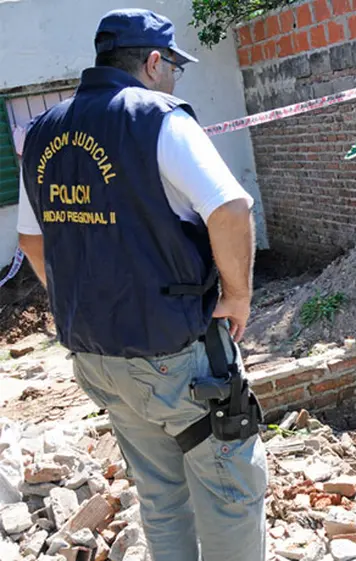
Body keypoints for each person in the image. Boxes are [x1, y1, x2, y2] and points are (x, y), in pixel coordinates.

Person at [16, 9, 267, 561]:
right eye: (174, 65)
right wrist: (238, 295)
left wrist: (82, 300)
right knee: (230, 494)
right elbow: (230, 206)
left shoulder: (42, 131)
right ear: (154, 62)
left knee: (160, 493)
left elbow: (33, 243)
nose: (176, 77)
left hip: (97, 355)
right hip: (176, 355)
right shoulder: (156, 117)